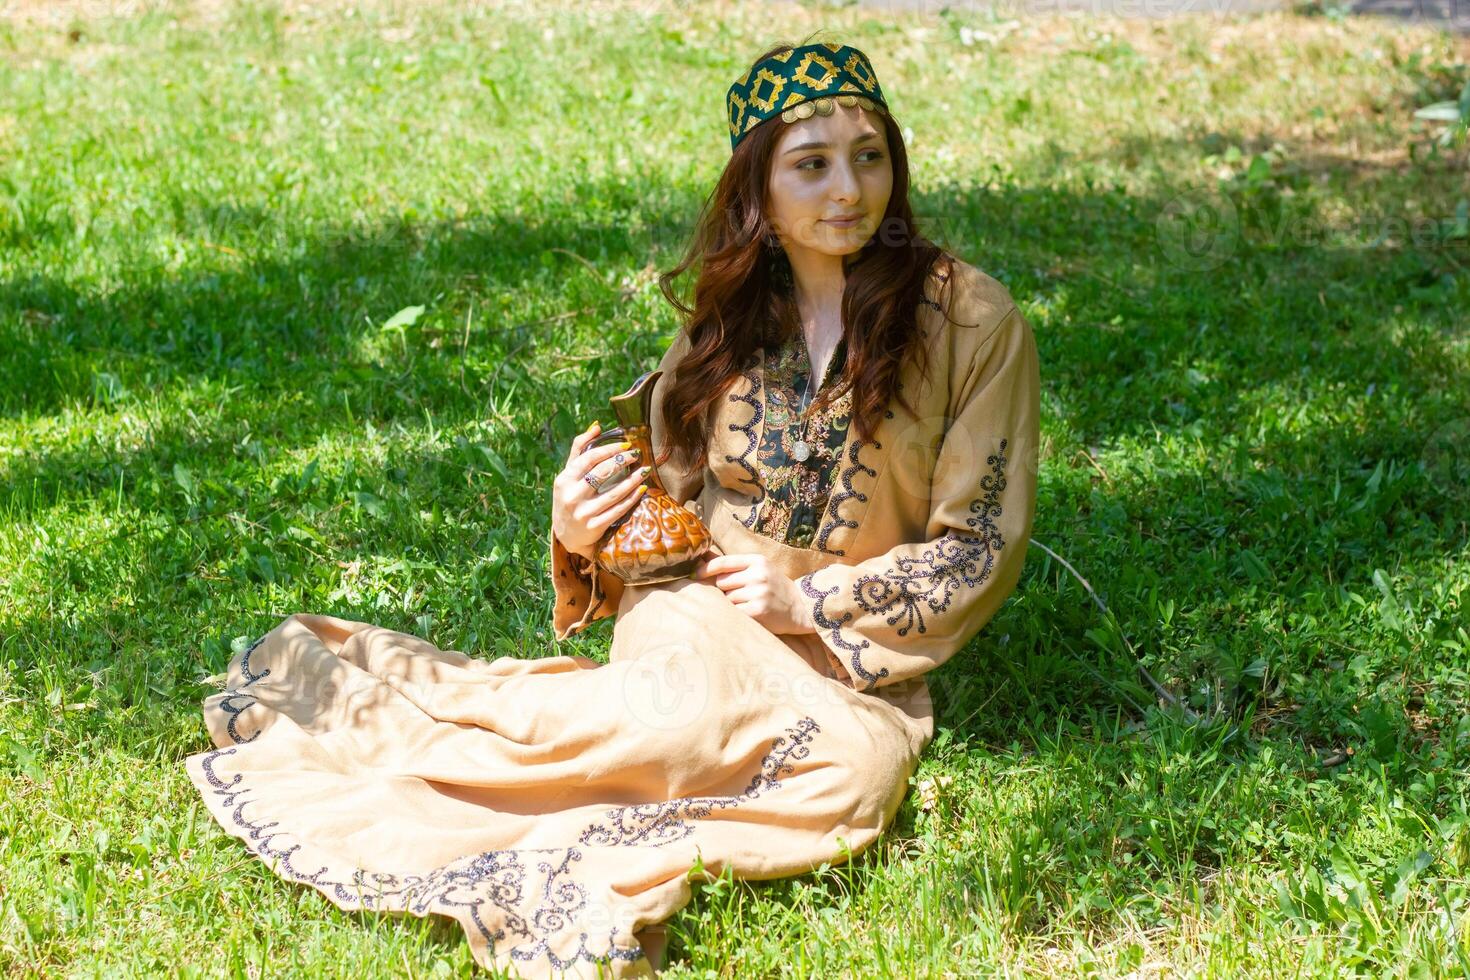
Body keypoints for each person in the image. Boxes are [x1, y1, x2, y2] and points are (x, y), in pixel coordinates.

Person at [184, 37, 1040, 978]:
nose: (850, 190)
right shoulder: (734, 312)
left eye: (869, 156)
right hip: (698, 609)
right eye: (813, 164)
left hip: (852, 663)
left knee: (855, 781)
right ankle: (359, 709)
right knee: (677, 720)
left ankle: (582, 859)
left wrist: (807, 603)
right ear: (757, 191)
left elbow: (976, 546)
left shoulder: (970, 323)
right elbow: (661, 491)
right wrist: (579, 526)